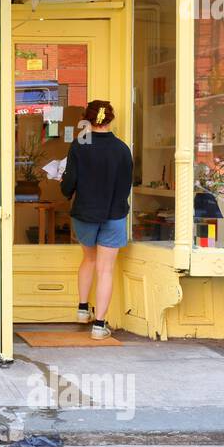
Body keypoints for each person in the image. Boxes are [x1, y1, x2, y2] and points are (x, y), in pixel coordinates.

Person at [59, 100, 133, 340]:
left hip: (85, 214)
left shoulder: (80, 145)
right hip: (114, 215)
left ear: (87, 119)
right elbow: (126, 186)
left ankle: (82, 309)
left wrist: (64, 187)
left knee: (89, 259)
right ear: (110, 119)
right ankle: (99, 326)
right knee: (106, 270)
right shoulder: (122, 149)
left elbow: (69, 183)